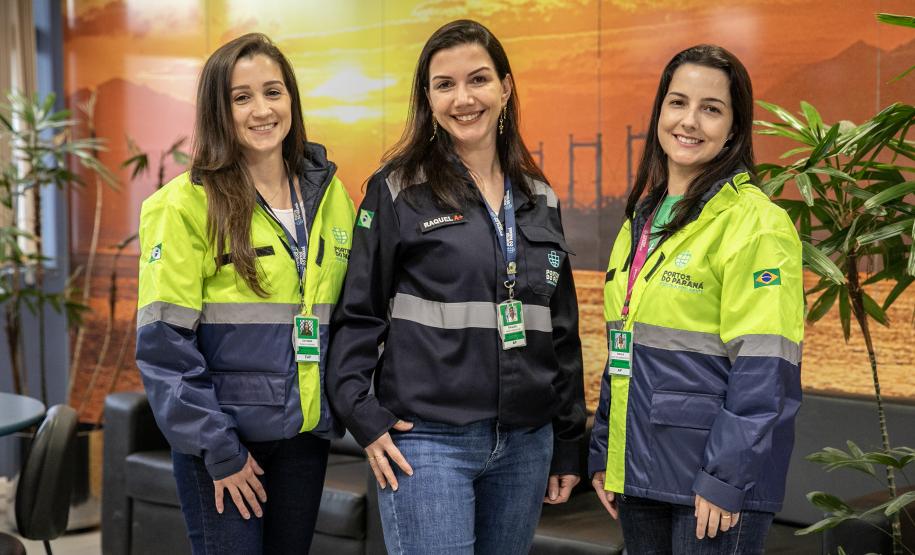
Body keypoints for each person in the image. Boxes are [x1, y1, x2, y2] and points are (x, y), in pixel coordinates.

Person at [327, 19, 586, 555]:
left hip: (525, 443)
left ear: (506, 88)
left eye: (478, 80)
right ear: (427, 97)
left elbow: (560, 331)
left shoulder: (541, 197)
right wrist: (363, 415)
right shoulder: (397, 189)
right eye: (444, 84)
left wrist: (567, 441)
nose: (463, 98)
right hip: (427, 441)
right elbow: (358, 312)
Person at [135, 33, 354, 554]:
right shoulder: (183, 205)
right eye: (242, 97)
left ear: (292, 100)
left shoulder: (332, 199)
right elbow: (165, 348)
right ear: (219, 109)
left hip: (304, 438)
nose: (262, 110)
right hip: (227, 441)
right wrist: (219, 449)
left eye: (273, 92)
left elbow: (353, 317)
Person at [588, 44, 803, 554]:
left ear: (734, 127)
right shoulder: (642, 220)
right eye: (678, 102)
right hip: (639, 472)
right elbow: (624, 348)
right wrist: (604, 452)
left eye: (711, 108)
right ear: (660, 111)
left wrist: (726, 477)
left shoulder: (756, 224)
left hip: (710, 486)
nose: (690, 121)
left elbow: (765, 366)